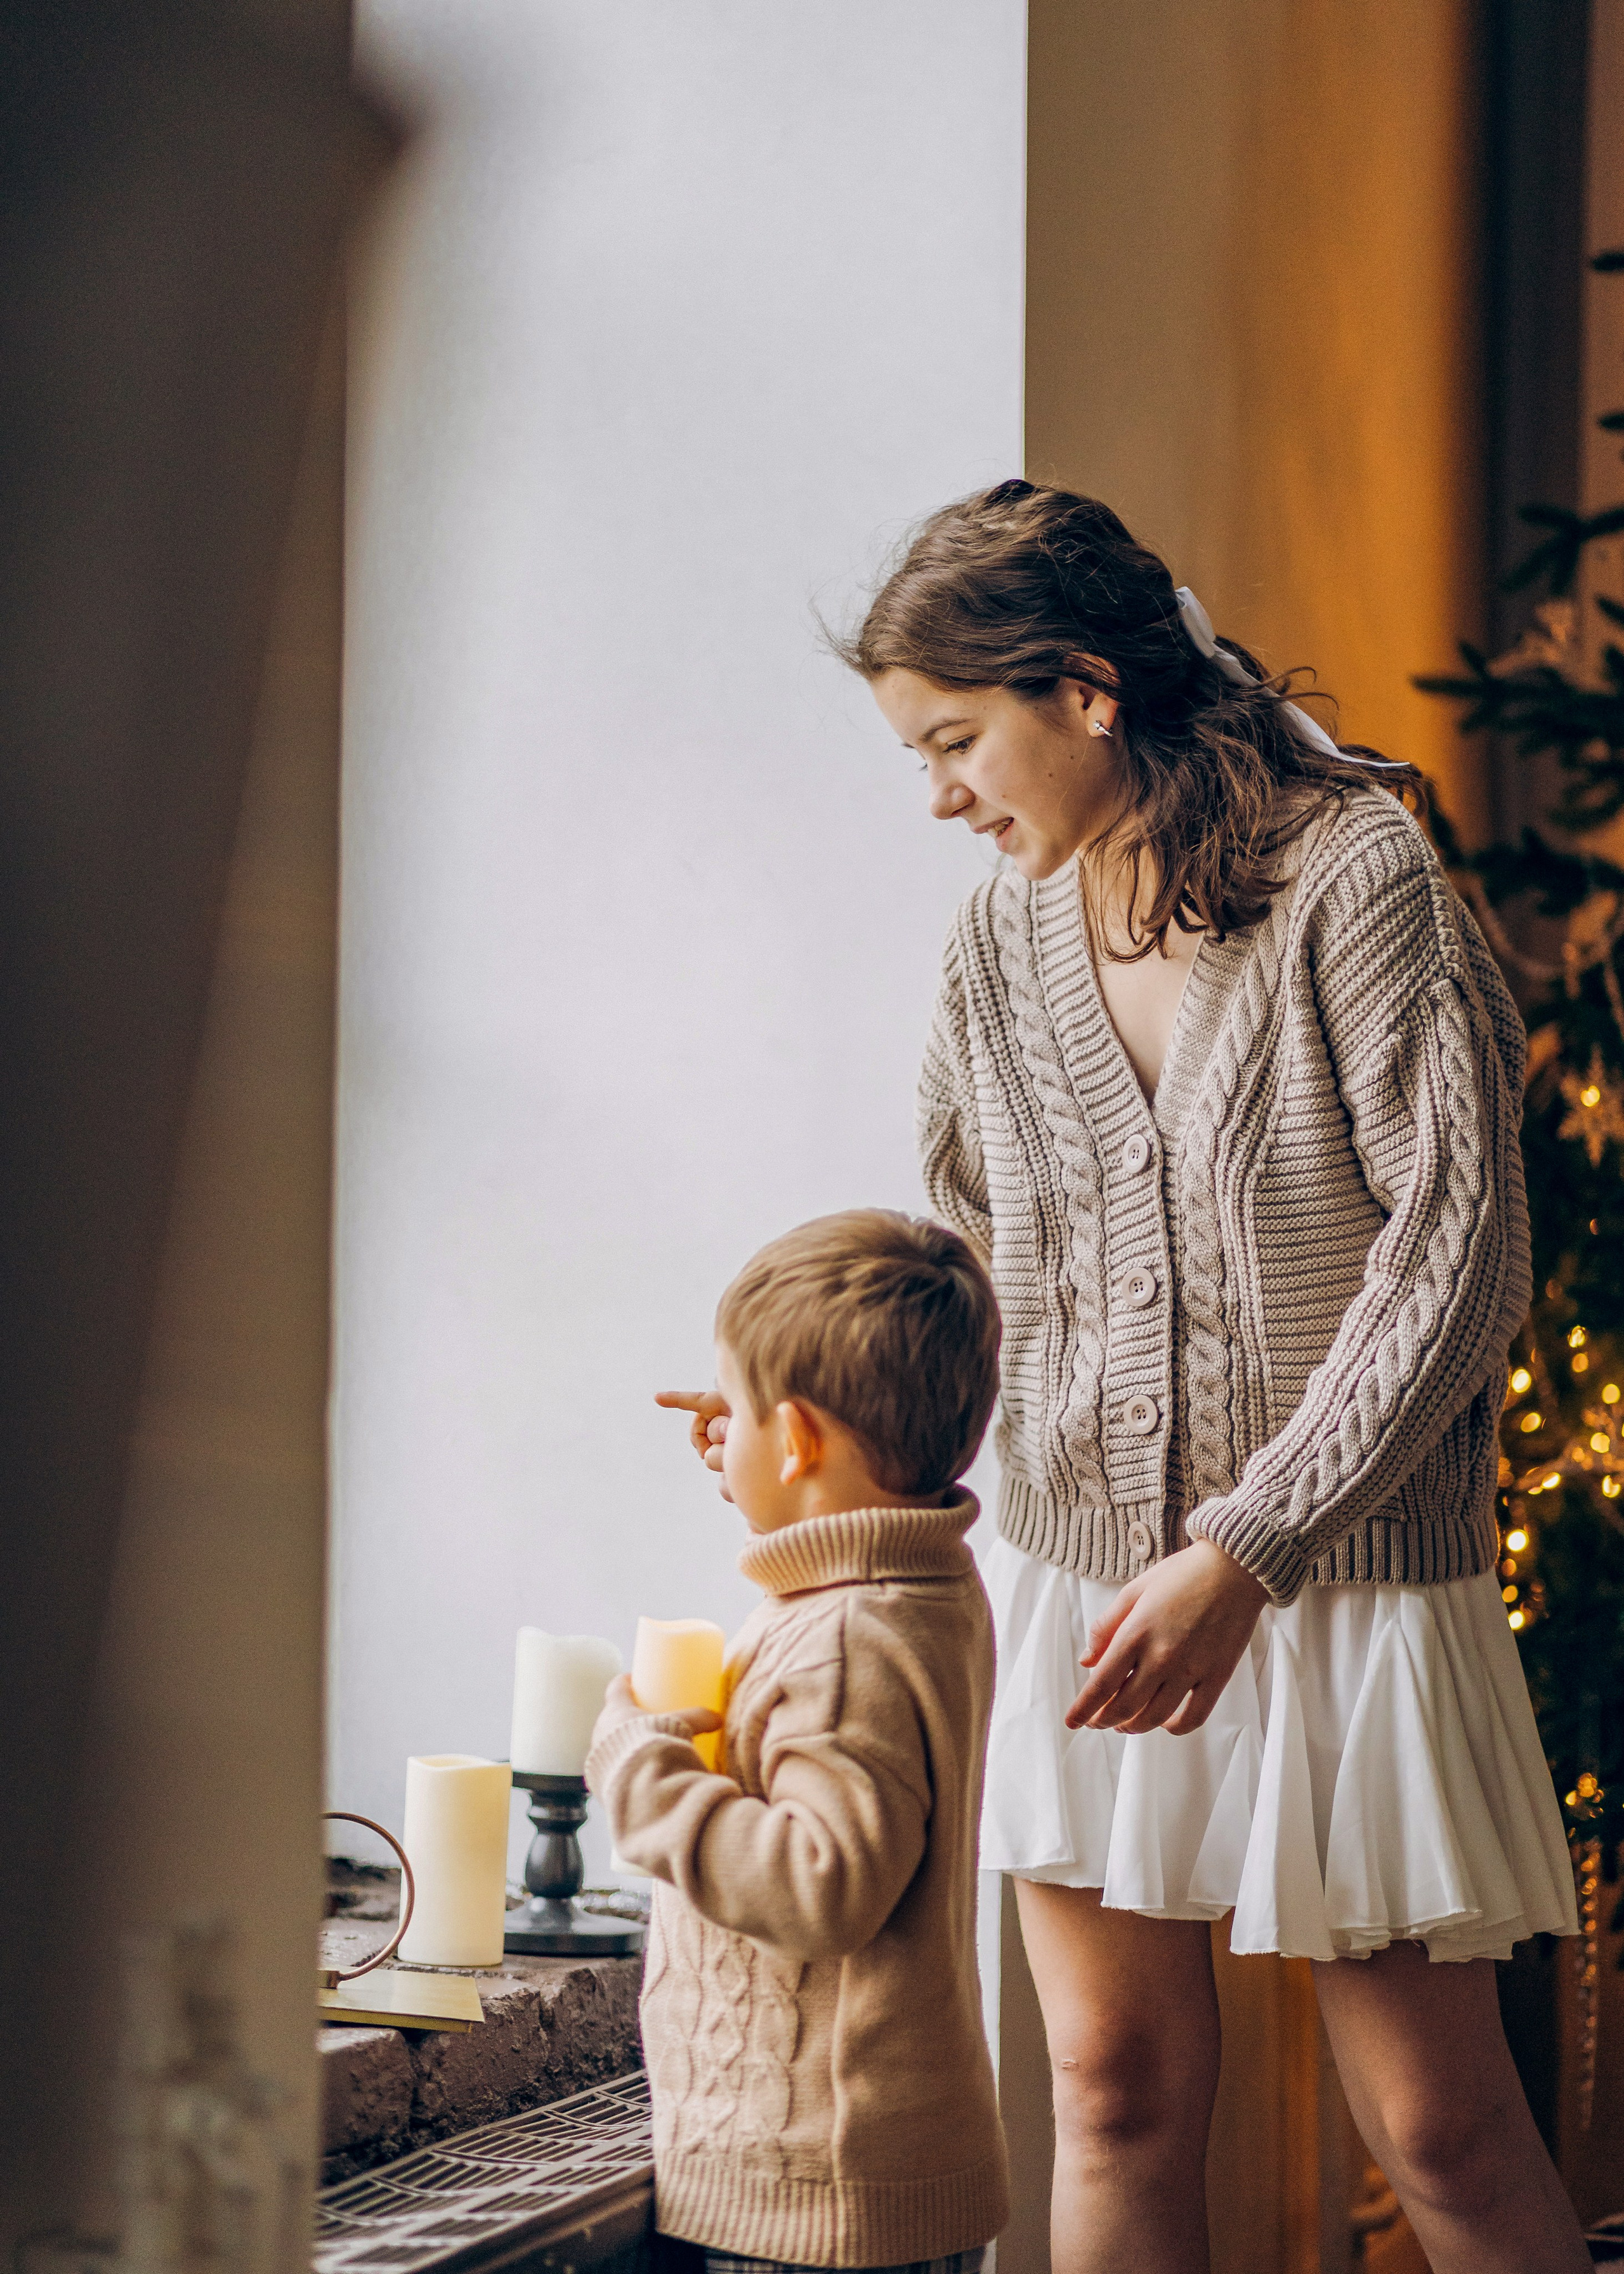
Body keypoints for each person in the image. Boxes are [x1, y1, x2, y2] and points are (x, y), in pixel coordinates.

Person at [832, 480, 1587, 2274]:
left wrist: (1252, 1545)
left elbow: (1461, 1254)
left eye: (958, 740)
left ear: (1087, 689)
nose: (941, 794)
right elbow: (971, 1258)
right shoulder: (996, 949)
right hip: (1090, 1580)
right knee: (1110, 2090)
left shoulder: (1359, 877)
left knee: (1443, 2127)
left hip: (1340, 1581)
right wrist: (847, 1430)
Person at [586, 1209, 1011, 2274]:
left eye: (739, 1406)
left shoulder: (843, 1643)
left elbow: (822, 1886)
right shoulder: (919, 1587)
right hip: (868, 2182)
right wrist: (762, 1464)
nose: (718, 1426)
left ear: (804, 1438)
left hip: (813, 2207)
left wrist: (645, 1774)